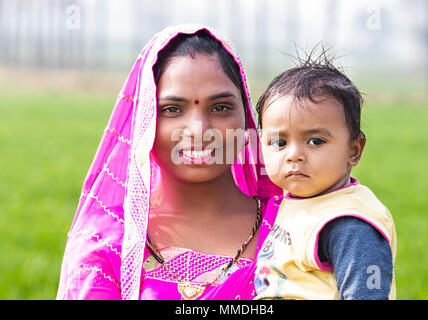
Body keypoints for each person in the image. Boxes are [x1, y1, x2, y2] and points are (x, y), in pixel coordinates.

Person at [56, 24, 282, 300]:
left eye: (220, 107)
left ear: (246, 119)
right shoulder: (106, 249)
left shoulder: (295, 227)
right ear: (144, 124)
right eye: (172, 110)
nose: (199, 130)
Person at [253, 52, 397, 300]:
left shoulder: (349, 223)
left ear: (354, 150)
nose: (294, 155)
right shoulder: (296, 200)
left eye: (315, 141)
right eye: (279, 142)